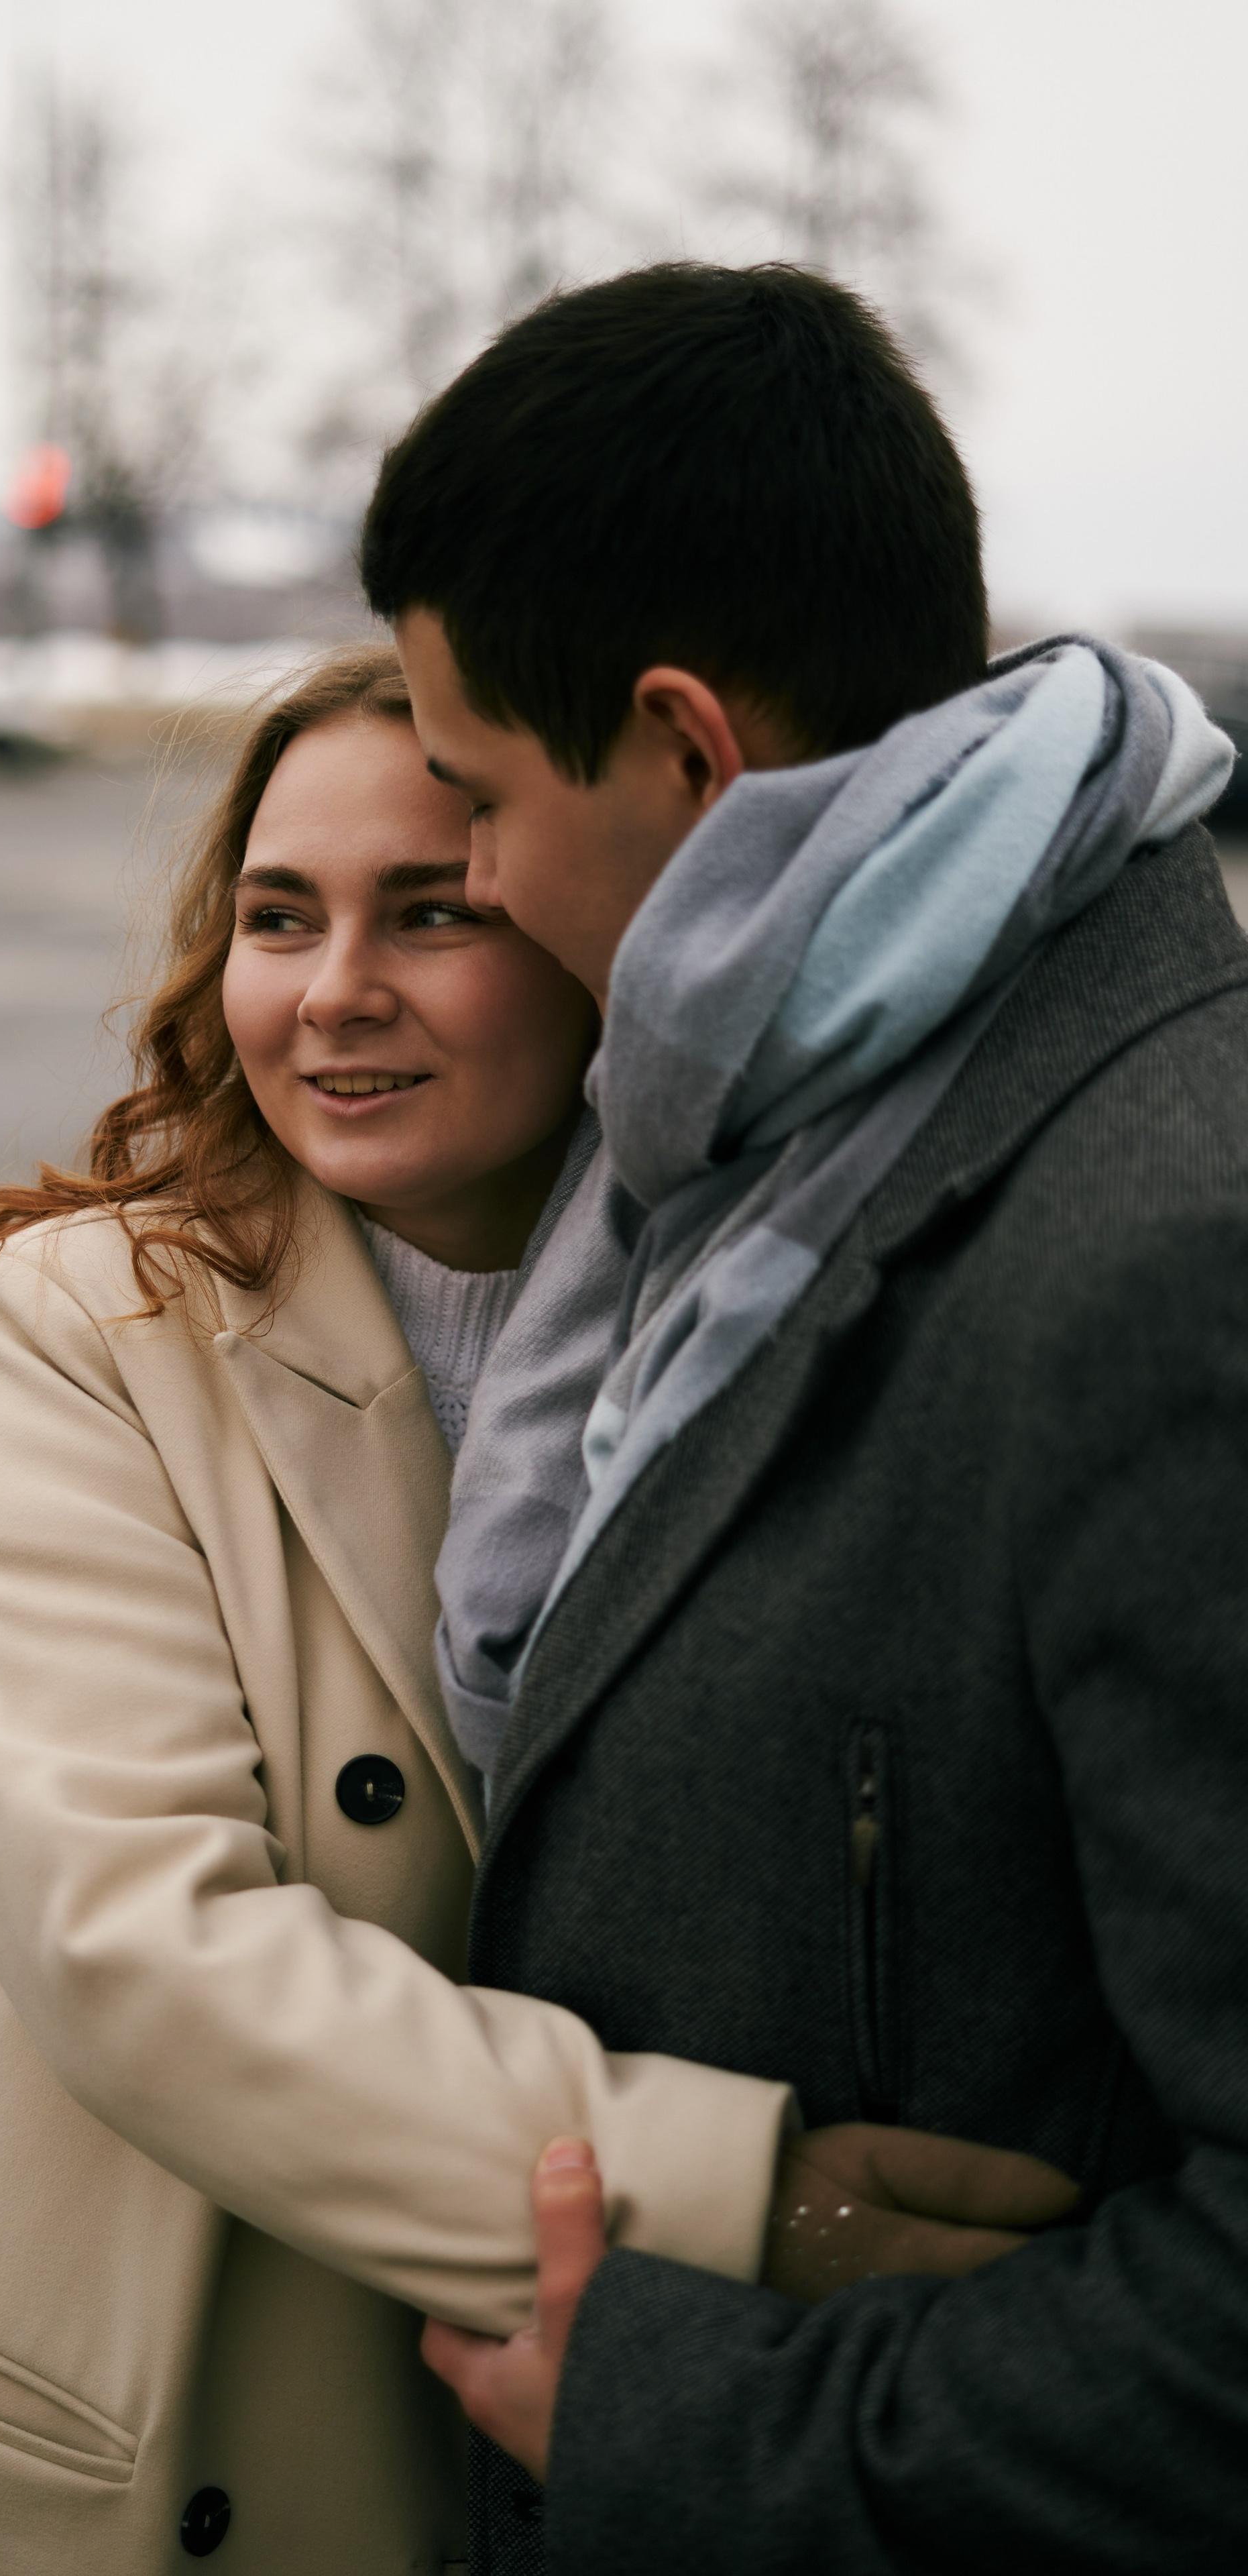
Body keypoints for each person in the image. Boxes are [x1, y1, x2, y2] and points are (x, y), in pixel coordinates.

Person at [0, 647, 1058, 2576]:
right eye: (276, 918)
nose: (335, 991)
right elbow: (145, 1948)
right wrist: (750, 2209)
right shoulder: (80, 1332)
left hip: (560, 2446)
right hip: (119, 2438)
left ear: (605, 944)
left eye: (435, 910)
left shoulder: (754, 1333)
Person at [360, 262, 1248, 2571]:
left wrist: (692, 2417)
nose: (461, 876)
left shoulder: (1170, 1251)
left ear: (683, 750)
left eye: (473, 793)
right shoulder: (769, 1123)